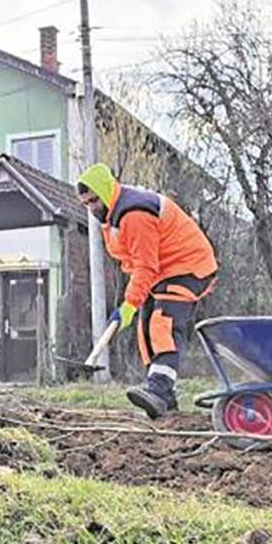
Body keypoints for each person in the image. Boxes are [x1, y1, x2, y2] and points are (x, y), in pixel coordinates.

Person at [76, 162, 218, 419]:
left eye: (95, 200)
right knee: (145, 330)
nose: (92, 208)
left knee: (162, 324)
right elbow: (136, 263)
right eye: (87, 203)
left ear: (106, 191)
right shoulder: (112, 216)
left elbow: (145, 265)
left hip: (188, 266)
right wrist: (129, 306)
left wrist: (129, 303)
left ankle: (159, 389)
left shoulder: (133, 214)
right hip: (163, 269)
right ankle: (166, 402)